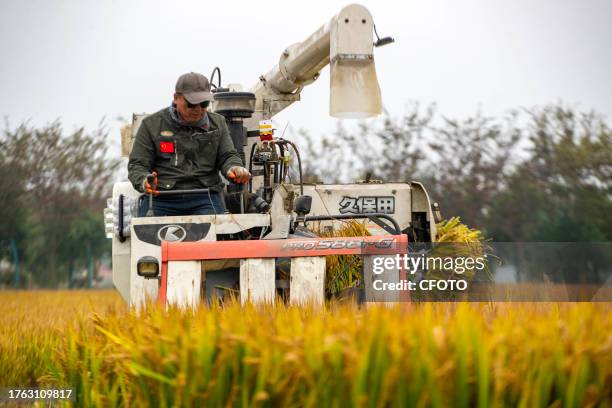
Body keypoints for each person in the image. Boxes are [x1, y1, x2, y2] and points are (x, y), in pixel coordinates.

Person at [128, 72, 251, 216]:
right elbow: (137, 165)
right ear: (176, 98)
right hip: (161, 198)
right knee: (146, 233)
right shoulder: (151, 125)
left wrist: (234, 167)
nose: (198, 109)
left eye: (204, 103)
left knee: (216, 232)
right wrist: (144, 181)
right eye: (192, 104)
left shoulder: (218, 123)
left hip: (206, 196)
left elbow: (227, 156)